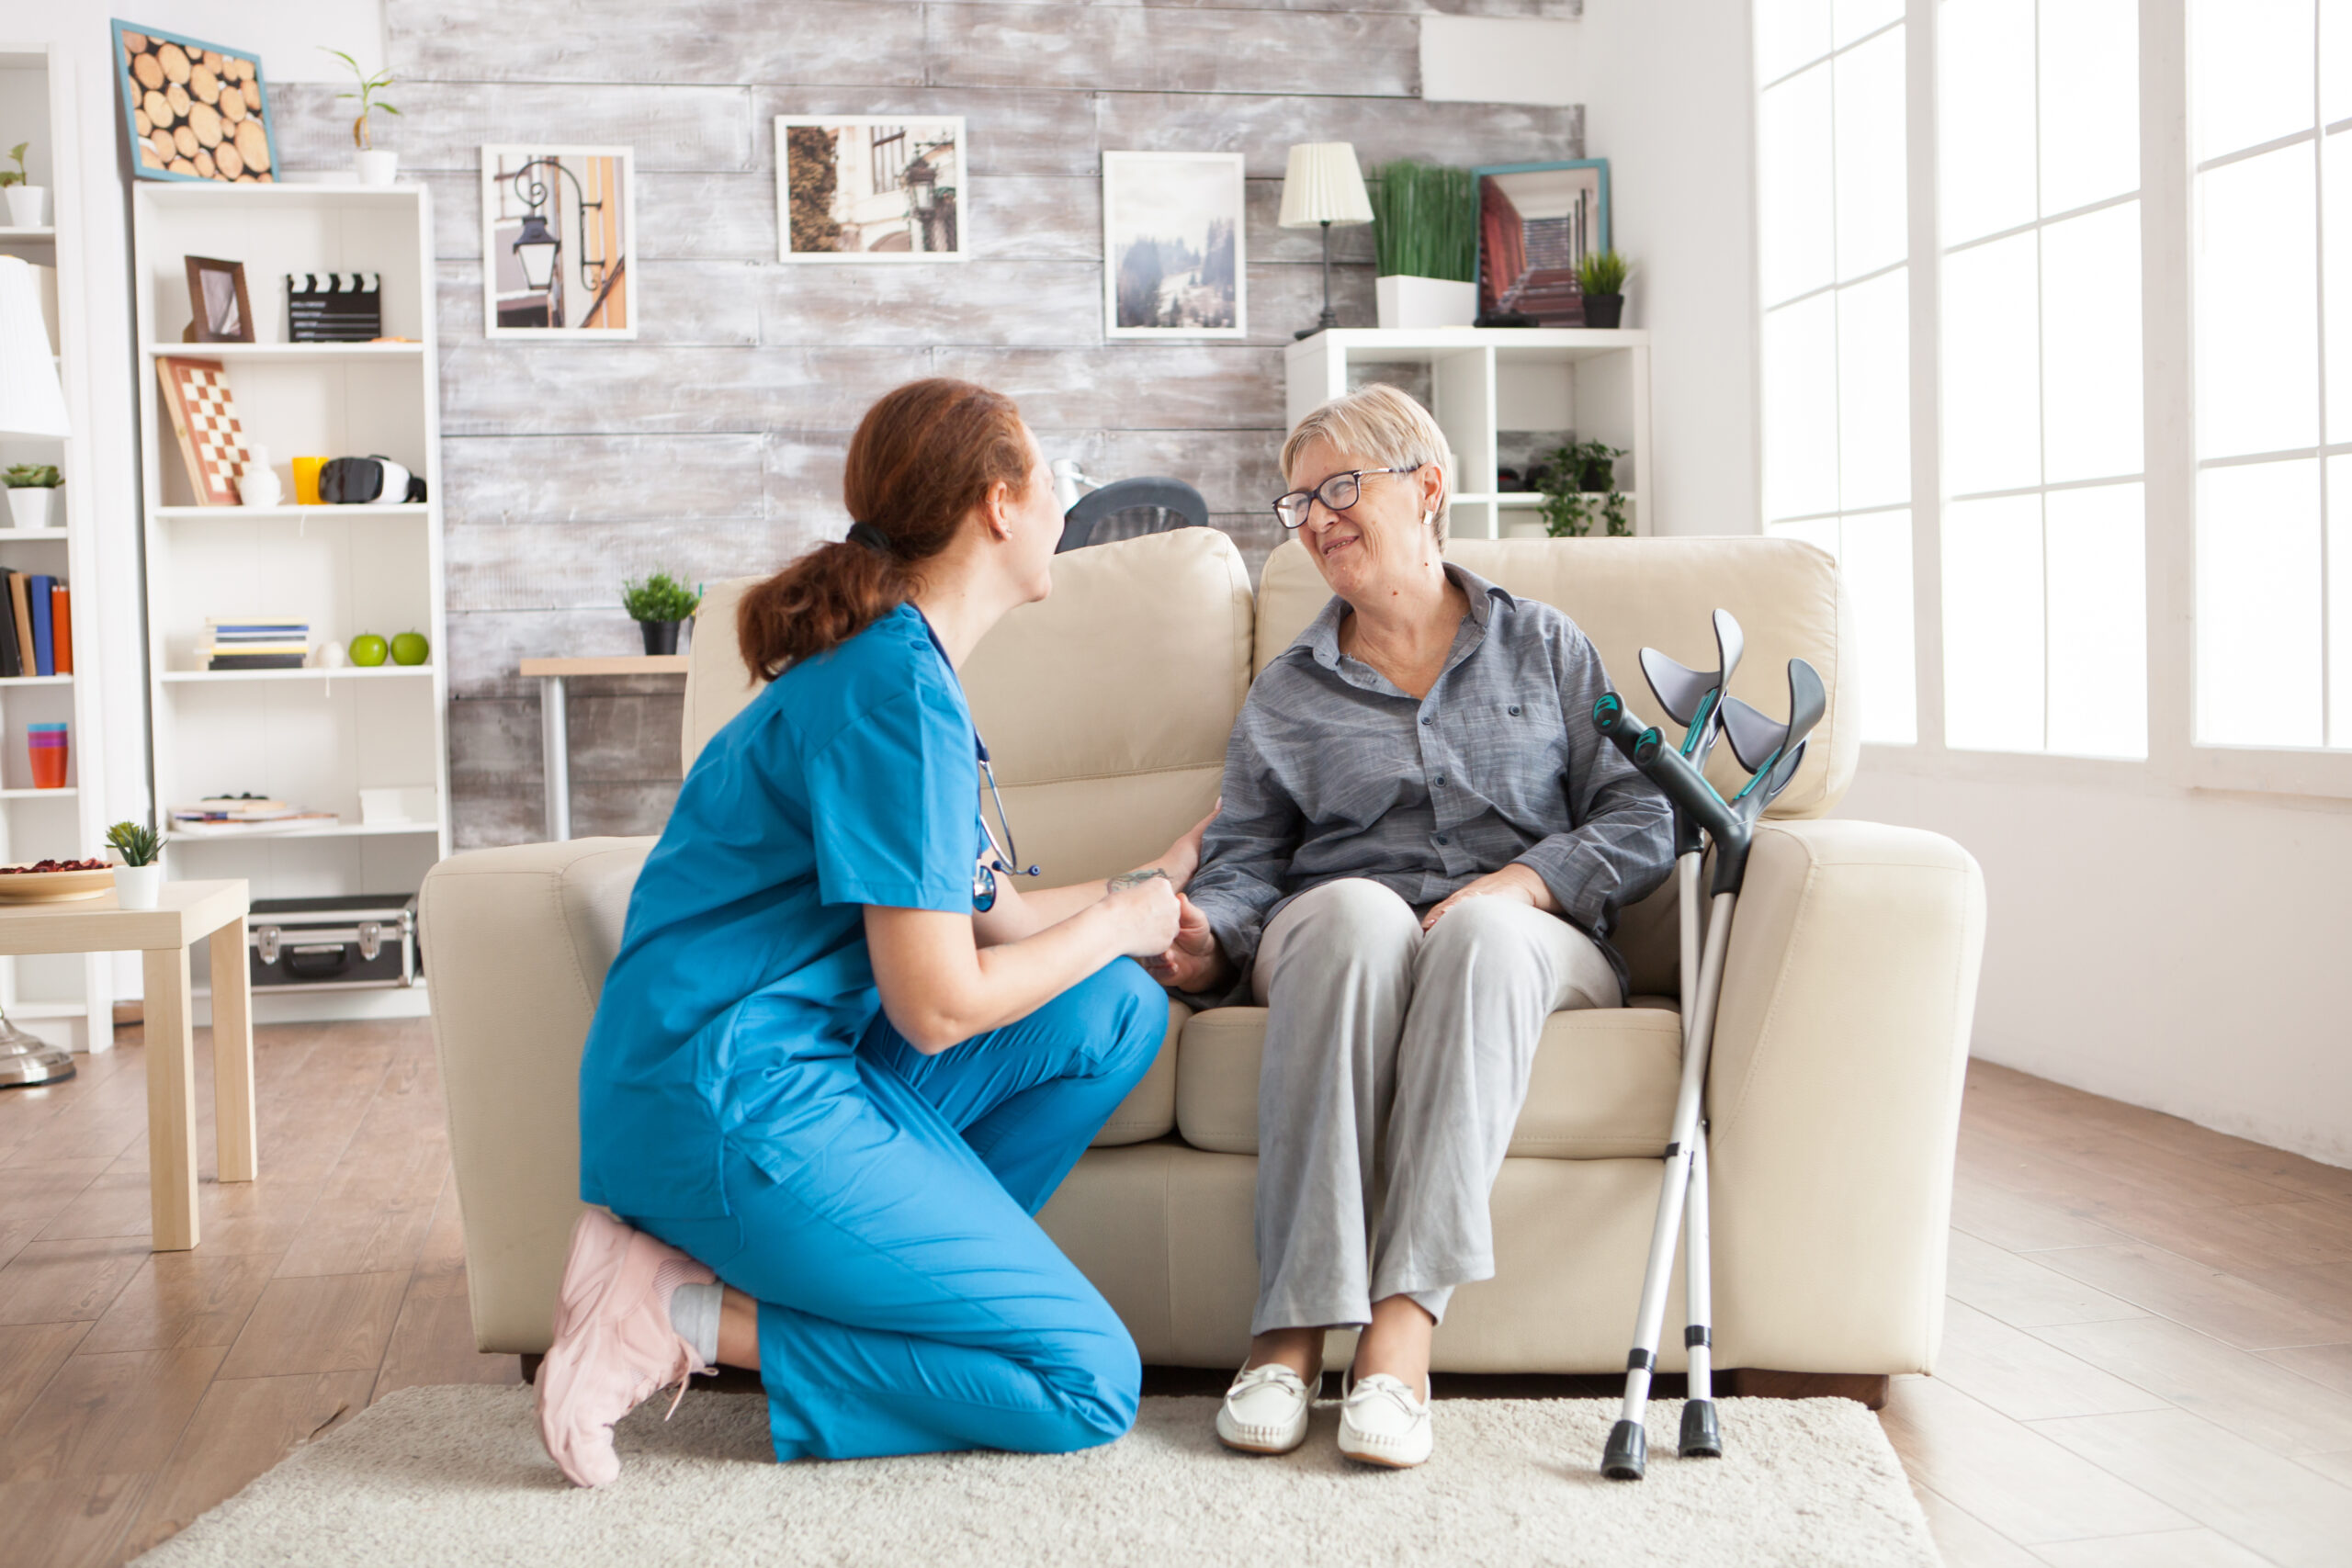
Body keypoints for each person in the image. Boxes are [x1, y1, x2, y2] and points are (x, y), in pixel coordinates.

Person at [537, 378, 1209, 1486]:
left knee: (1115, 1005)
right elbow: (938, 1009)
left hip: (767, 1076)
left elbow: (1016, 919)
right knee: (1086, 1380)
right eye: (1054, 483)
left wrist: (1165, 880)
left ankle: (906, 1285)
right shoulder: (894, 698)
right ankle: (679, 1317)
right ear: (1000, 504)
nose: (1062, 509)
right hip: (728, 1101)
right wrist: (1120, 921)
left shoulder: (901, 674)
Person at [1151, 384, 1674, 1470]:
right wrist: (1210, 936)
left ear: (1427, 487)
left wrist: (1525, 885)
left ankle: (1399, 1335)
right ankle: (1288, 1331)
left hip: (1525, 935)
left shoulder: (1543, 647)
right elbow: (1247, 864)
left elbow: (1641, 813)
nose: (1319, 518)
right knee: (1353, 913)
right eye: (1300, 505)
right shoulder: (1287, 692)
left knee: (1476, 936)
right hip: (1340, 928)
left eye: (1341, 487)